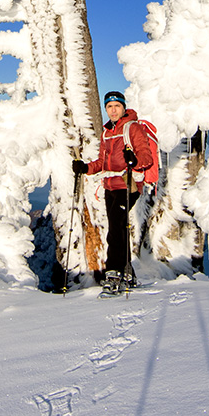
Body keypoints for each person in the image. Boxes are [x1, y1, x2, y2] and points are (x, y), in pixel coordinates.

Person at [72, 90, 159, 297]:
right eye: (109, 107)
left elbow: (146, 157)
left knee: (115, 230)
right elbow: (103, 162)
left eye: (117, 106)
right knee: (119, 228)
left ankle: (113, 274)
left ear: (123, 107)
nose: (113, 110)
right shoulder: (107, 132)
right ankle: (127, 273)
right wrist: (86, 168)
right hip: (110, 186)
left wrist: (133, 160)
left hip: (128, 185)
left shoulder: (132, 128)